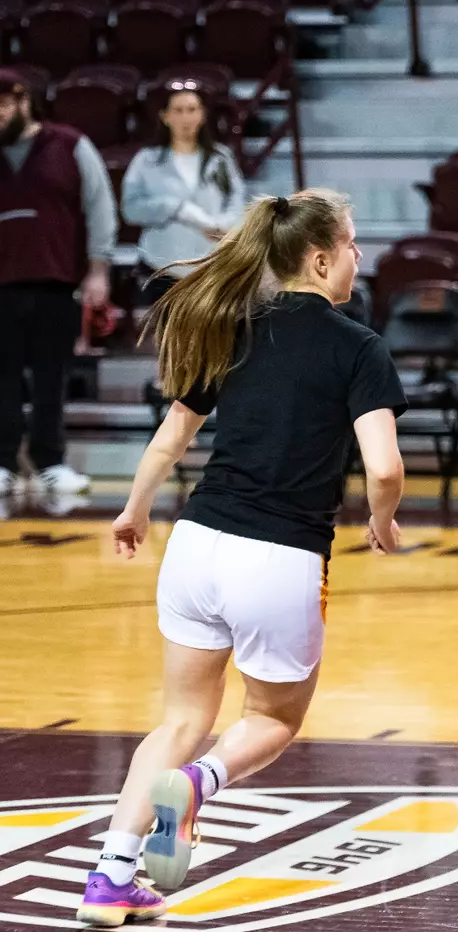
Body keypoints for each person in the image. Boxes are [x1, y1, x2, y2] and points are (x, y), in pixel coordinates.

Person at [76, 190, 407, 928]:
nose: (360, 257)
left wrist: (133, 508)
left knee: (179, 718)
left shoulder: (233, 327)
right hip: (280, 556)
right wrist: (383, 522)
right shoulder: (359, 345)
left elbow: (171, 437)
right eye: (353, 245)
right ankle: (201, 785)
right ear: (321, 258)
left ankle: (109, 879)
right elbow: (383, 468)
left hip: (197, 545)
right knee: (275, 719)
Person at [0, 67, 117, 499]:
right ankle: (3, 463)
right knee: (2, 378)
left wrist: (98, 268)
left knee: (53, 377)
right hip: (2, 285)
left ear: (22, 101)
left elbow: (99, 204)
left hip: (56, 279)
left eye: (2, 105)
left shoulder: (69, 144)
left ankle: (50, 461)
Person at [121, 83, 248, 305]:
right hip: (161, 264)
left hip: (211, 265)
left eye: (192, 110)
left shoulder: (220, 158)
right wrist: (171, 207)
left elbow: (236, 198)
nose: (185, 117)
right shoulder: (147, 160)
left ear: (202, 115)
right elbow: (130, 209)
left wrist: (224, 225)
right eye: (178, 111)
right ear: (165, 117)